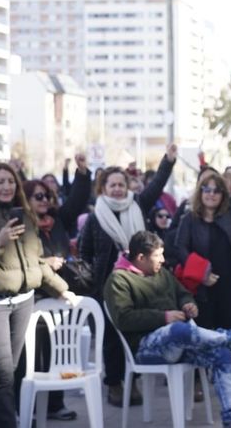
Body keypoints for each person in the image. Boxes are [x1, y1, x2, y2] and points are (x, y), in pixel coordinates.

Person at [0, 162, 77, 428]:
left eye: (10, 181)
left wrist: (60, 288)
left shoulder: (24, 214)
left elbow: (35, 262)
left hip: (23, 303)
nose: (6, 186)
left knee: (8, 375)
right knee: (3, 376)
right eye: (0, 181)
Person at [104, 231, 231, 428]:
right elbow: (123, 319)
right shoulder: (118, 280)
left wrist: (188, 304)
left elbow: (183, 293)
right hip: (146, 348)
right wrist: (164, 317)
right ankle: (230, 338)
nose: (162, 259)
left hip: (179, 343)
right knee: (178, 329)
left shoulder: (161, 273)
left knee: (221, 354)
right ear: (141, 258)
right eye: (157, 255)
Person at [79, 144, 176, 406]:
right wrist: (94, 277)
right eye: (113, 185)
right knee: (111, 339)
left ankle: (132, 381)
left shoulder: (138, 205)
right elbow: (84, 251)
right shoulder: (96, 217)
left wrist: (168, 161)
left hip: (138, 283)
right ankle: (114, 384)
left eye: (122, 184)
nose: (118, 189)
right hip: (105, 287)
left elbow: (156, 186)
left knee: (135, 334)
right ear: (104, 188)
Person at [14, 154, 92, 421]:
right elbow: (20, 258)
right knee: (28, 359)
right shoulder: (19, 224)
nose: (45, 200)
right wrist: (44, 261)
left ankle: (55, 404)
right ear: (26, 199)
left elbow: (78, 200)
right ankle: (26, 409)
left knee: (56, 351)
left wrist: (82, 173)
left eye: (47, 195)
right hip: (31, 298)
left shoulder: (58, 219)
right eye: (38, 196)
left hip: (60, 297)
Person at [176, 141, 231, 332]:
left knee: (228, 333)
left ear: (223, 194)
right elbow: (180, 248)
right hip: (201, 288)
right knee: (206, 334)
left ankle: (228, 363)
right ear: (200, 192)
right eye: (207, 189)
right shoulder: (190, 218)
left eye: (216, 190)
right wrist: (201, 273)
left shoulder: (230, 213)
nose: (211, 194)